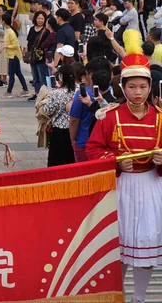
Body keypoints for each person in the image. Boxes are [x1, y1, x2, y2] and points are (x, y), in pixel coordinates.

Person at [86, 39, 162, 303]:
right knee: (118, 245)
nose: (138, 92)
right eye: (132, 86)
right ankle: (117, 295)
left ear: (150, 87)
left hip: (151, 186)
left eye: (143, 86)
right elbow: (92, 150)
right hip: (120, 188)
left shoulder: (160, 118)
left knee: (146, 243)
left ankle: (139, 298)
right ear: (123, 87)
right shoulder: (109, 116)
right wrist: (115, 161)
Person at [43, 64, 76, 166]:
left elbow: (47, 110)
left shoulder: (57, 93)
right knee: (71, 159)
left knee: (56, 160)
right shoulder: (78, 91)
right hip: (74, 129)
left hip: (59, 130)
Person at [2, 13, 30, 98]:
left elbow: (15, 45)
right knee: (18, 73)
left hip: (13, 55)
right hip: (12, 55)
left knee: (11, 74)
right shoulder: (7, 30)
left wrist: (5, 46)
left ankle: (9, 91)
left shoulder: (10, 32)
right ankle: (25, 90)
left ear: (3, 21)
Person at [27, 11, 49, 100]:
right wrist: (28, 53)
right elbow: (29, 42)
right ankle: (36, 93)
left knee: (42, 76)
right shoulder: (32, 29)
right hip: (33, 56)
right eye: (38, 18)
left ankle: (43, 94)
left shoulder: (46, 31)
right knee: (35, 76)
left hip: (42, 57)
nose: (40, 20)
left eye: (42, 19)